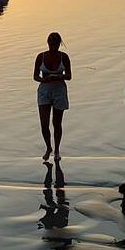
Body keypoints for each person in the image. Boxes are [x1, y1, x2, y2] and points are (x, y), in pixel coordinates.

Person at [33, 32, 71, 163]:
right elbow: (35, 76)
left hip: (59, 91)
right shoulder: (41, 57)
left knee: (57, 123)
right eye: (51, 43)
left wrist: (60, 76)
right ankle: (48, 148)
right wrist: (45, 79)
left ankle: (57, 150)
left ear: (59, 44)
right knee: (44, 124)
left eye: (55, 44)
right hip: (44, 91)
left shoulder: (64, 57)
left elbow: (69, 76)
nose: (53, 46)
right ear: (48, 43)